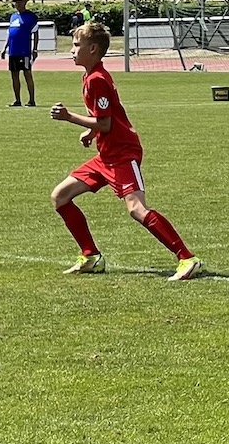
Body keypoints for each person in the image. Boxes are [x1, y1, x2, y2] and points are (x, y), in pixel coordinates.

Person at [49, 20, 203, 281]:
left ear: (93, 49)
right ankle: (91, 256)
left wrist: (69, 117)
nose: (72, 50)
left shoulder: (97, 79)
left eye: (76, 45)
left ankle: (187, 258)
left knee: (136, 208)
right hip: (106, 155)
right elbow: (105, 118)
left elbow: (105, 123)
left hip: (122, 153)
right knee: (60, 196)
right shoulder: (90, 76)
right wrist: (91, 133)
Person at [0, 0, 39, 107]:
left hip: (24, 51)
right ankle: (17, 100)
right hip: (13, 51)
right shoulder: (13, 17)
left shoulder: (30, 17)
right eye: (16, 2)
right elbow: (10, 34)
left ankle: (31, 100)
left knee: (27, 74)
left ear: (25, 3)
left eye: (19, 2)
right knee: (14, 75)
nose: (17, 4)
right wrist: (5, 48)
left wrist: (35, 49)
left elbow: (36, 33)